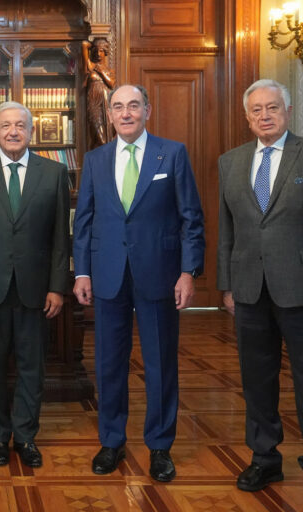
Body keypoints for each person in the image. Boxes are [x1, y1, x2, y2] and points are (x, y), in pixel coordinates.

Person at [217, 79, 303, 511]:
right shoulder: (230, 162)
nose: (265, 115)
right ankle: (265, 459)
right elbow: (227, 230)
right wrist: (226, 284)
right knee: (257, 380)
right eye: (257, 110)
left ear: (288, 111)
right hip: (249, 289)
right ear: (247, 117)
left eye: (273, 107)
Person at [72, 84, 205, 481]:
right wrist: (82, 271)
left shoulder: (172, 153)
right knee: (108, 363)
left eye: (133, 106)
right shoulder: (95, 159)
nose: (126, 113)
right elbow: (84, 221)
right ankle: (111, 441)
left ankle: (160, 446)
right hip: (107, 275)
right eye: (118, 107)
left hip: (160, 274)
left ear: (148, 110)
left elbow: (191, 218)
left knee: (160, 363)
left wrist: (188, 271)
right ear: (110, 115)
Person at [0, 101, 70, 469]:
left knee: (32, 366)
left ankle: (25, 436)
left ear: (31, 131)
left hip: (36, 289)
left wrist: (57, 286)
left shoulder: (54, 173)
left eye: (20, 125)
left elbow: (60, 238)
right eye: (5, 126)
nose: (13, 131)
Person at [82, 38, 116, 147]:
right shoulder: (91, 66)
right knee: (100, 138)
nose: (98, 53)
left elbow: (111, 83)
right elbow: (84, 44)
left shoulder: (110, 71)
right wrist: (89, 46)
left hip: (106, 103)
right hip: (94, 104)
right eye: (95, 50)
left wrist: (101, 71)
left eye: (101, 50)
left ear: (105, 52)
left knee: (107, 136)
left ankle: (98, 156)